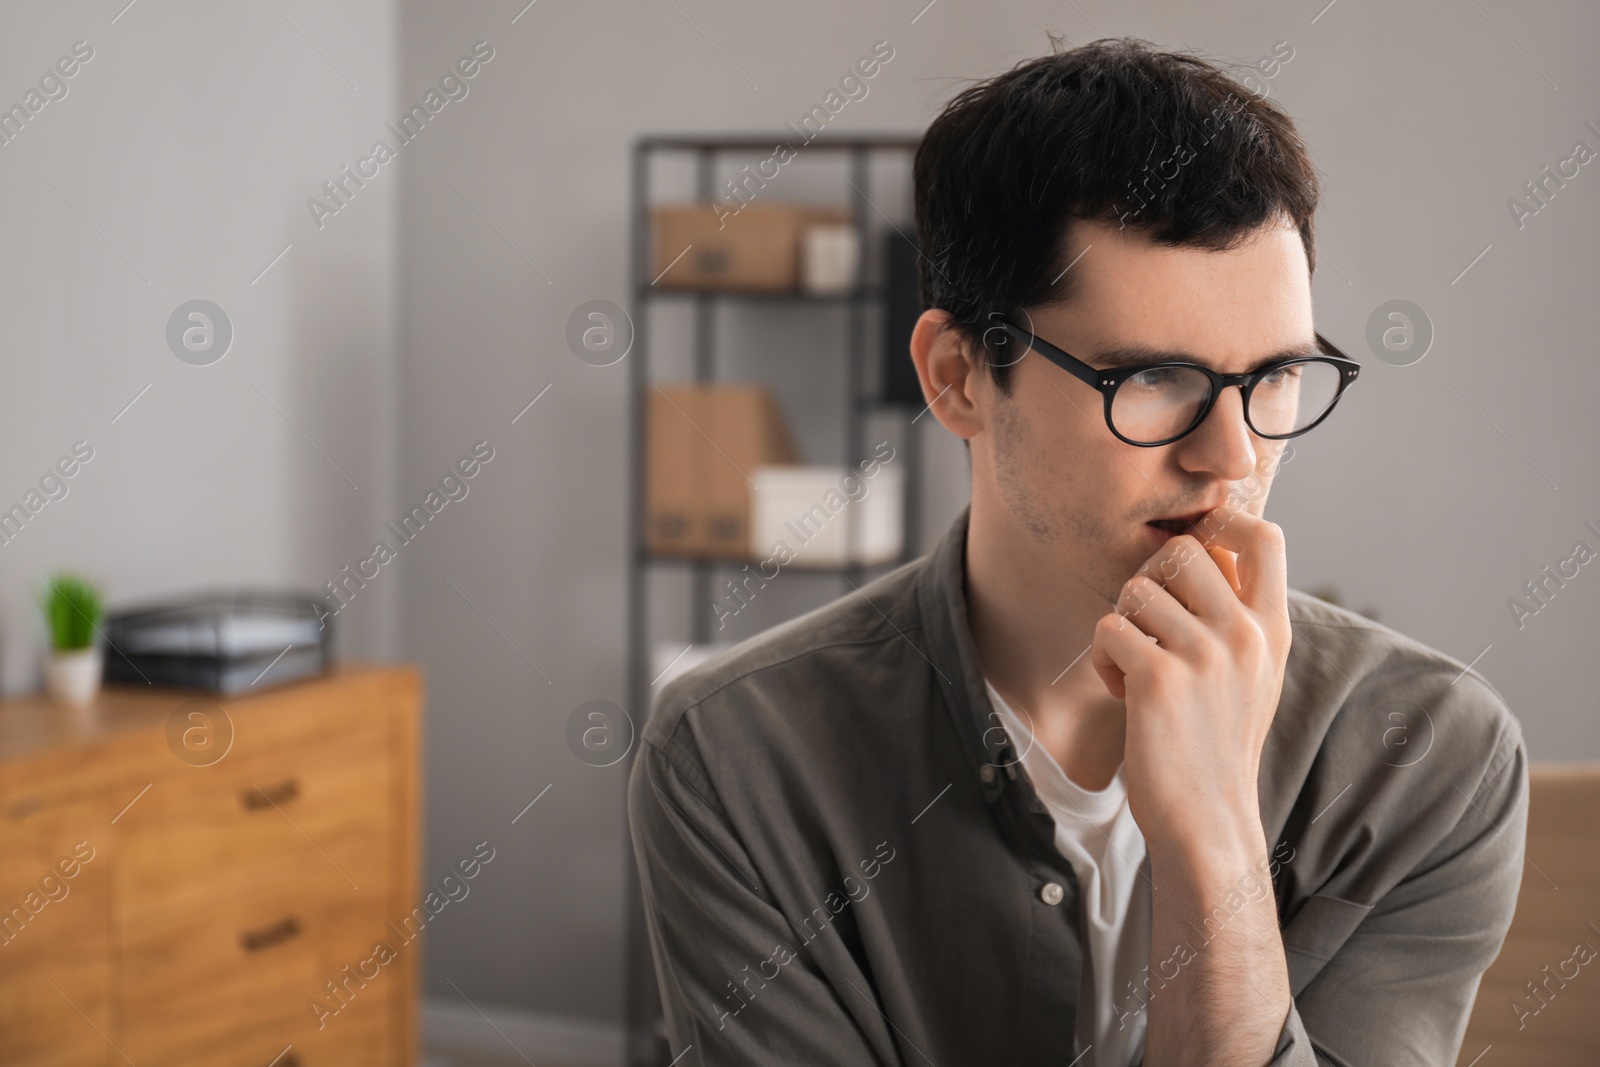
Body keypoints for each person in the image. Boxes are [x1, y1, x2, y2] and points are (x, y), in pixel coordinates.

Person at [628, 36, 1527, 1067]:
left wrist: (1213, 833)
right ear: (958, 376)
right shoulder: (736, 757)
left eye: (1275, 375)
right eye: (1149, 378)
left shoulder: (1434, 755)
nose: (1229, 453)